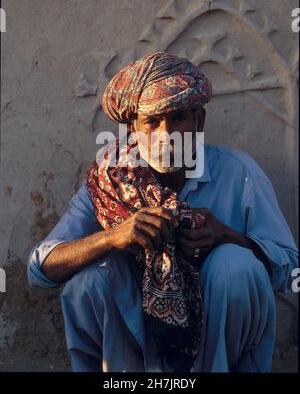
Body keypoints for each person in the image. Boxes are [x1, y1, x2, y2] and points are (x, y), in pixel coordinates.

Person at [27, 51, 298, 373]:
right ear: (133, 129)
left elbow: (290, 270)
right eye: (152, 122)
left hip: (219, 354)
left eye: (178, 118)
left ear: (199, 121)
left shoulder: (238, 172)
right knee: (89, 278)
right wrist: (112, 237)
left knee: (235, 265)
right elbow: (39, 270)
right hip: (135, 354)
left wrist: (229, 237)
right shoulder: (110, 181)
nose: (165, 134)